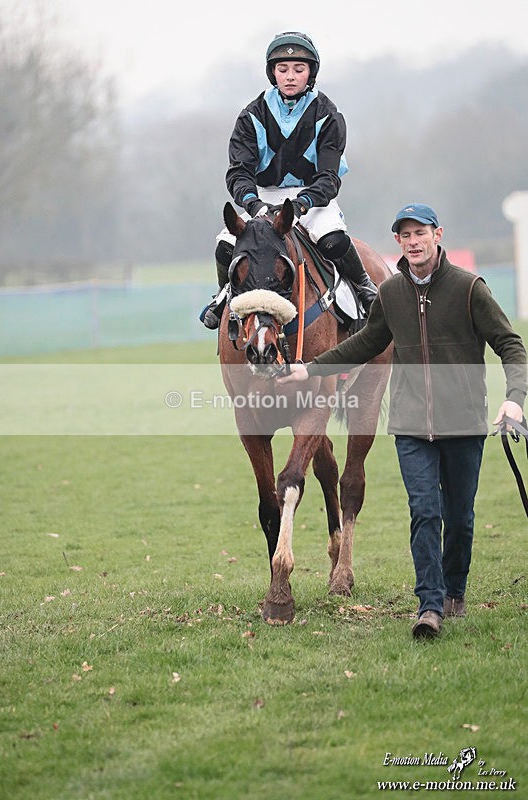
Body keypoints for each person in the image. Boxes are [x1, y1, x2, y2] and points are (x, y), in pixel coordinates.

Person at [277, 202, 527, 638]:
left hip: (463, 423)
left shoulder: (470, 289)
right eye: (405, 236)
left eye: (420, 233)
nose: (413, 242)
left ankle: (454, 591)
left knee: (460, 517)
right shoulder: (391, 293)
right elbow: (366, 342)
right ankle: (429, 606)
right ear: (398, 242)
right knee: (424, 512)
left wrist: (515, 400)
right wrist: (309, 369)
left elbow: (510, 344)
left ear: (437, 235)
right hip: (411, 425)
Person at [202, 31, 377, 329]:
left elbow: (329, 177)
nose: (290, 76)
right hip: (265, 198)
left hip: (313, 198)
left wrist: (301, 205)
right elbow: (238, 172)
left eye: (299, 69)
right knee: (226, 245)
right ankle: (224, 295)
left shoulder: (328, 114)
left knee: (333, 240)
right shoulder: (251, 115)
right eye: (282, 70)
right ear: (273, 73)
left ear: (311, 73)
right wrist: (253, 204)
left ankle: (364, 288)